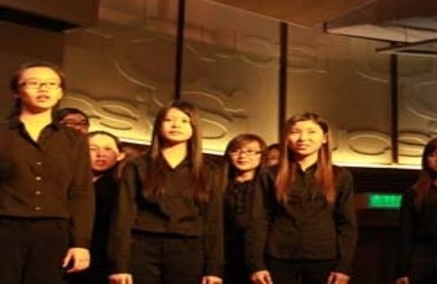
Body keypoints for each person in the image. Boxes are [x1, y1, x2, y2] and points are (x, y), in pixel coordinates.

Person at [108, 100, 223, 284]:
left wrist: (214, 268)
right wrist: (119, 265)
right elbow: (123, 216)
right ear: (158, 125)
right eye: (169, 120)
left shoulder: (208, 170)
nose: (176, 125)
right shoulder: (137, 165)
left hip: (189, 249)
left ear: (194, 127)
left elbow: (213, 221)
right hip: (142, 247)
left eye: (184, 121)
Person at [0, 62, 94, 284]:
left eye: (52, 84)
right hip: (5, 228)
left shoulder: (74, 140)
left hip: (53, 232)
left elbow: (80, 192)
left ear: (60, 92)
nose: (44, 89)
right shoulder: (3, 134)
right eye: (34, 83)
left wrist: (80, 243)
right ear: (16, 91)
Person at [247, 112, 357, 284]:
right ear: (286, 138)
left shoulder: (340, 175)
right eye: (295, 131)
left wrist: (343, 267)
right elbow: (259, 220)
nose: (303, 138)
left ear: (324, 138)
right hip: (278, 257)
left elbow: (347, 224)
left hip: (324, 257)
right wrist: (256, 264)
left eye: (311, 132)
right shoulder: (269, 175)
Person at [395, 137, 437, 284]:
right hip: (424, 260)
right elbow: (406, 234)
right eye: (433, 155)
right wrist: (403, 271)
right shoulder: (415, 193)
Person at [70, 131, 125, 284]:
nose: (100, 154)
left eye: (108, 149)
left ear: (120, 155)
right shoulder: (67, 184)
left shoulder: (122, 189)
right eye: (93, 149)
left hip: (103, 258)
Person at [223, 133, 268, 284]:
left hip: (260, 257)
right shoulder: (218, 185)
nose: (242, 155)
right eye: (236, 151)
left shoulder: (268, 187)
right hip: (225, 255)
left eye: (250, 151)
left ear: (262, 155)